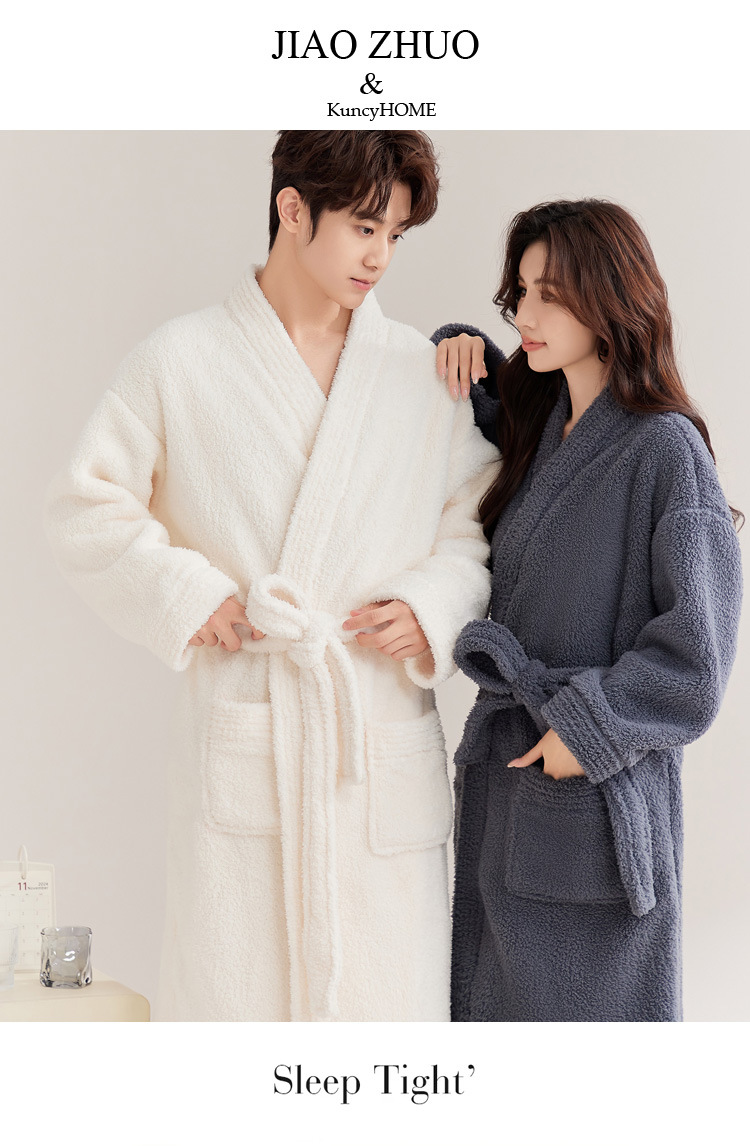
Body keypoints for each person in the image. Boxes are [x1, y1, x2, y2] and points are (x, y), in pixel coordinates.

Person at [43, 131, 499, 1022]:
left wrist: (432, 605)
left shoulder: (417, 372)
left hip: (376, 751)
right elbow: (84, 506)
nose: (381, 255)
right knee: (236, 1014)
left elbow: (477, 519)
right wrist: (187, 594)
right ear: (294, 210)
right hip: (250, 738)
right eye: (364, 227)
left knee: (387, 1042)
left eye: (396, 234)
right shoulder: (181, 361)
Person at [431, 199, 743, 1022]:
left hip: (595, 793)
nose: (526, 316)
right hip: (516, 790)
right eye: (521, 293)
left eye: (551, 295)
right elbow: (479, 410)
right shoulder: (544, 427)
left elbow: (697, 657)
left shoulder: (664, 449)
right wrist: (463, 347)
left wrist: (587, 730)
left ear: (609, 301)